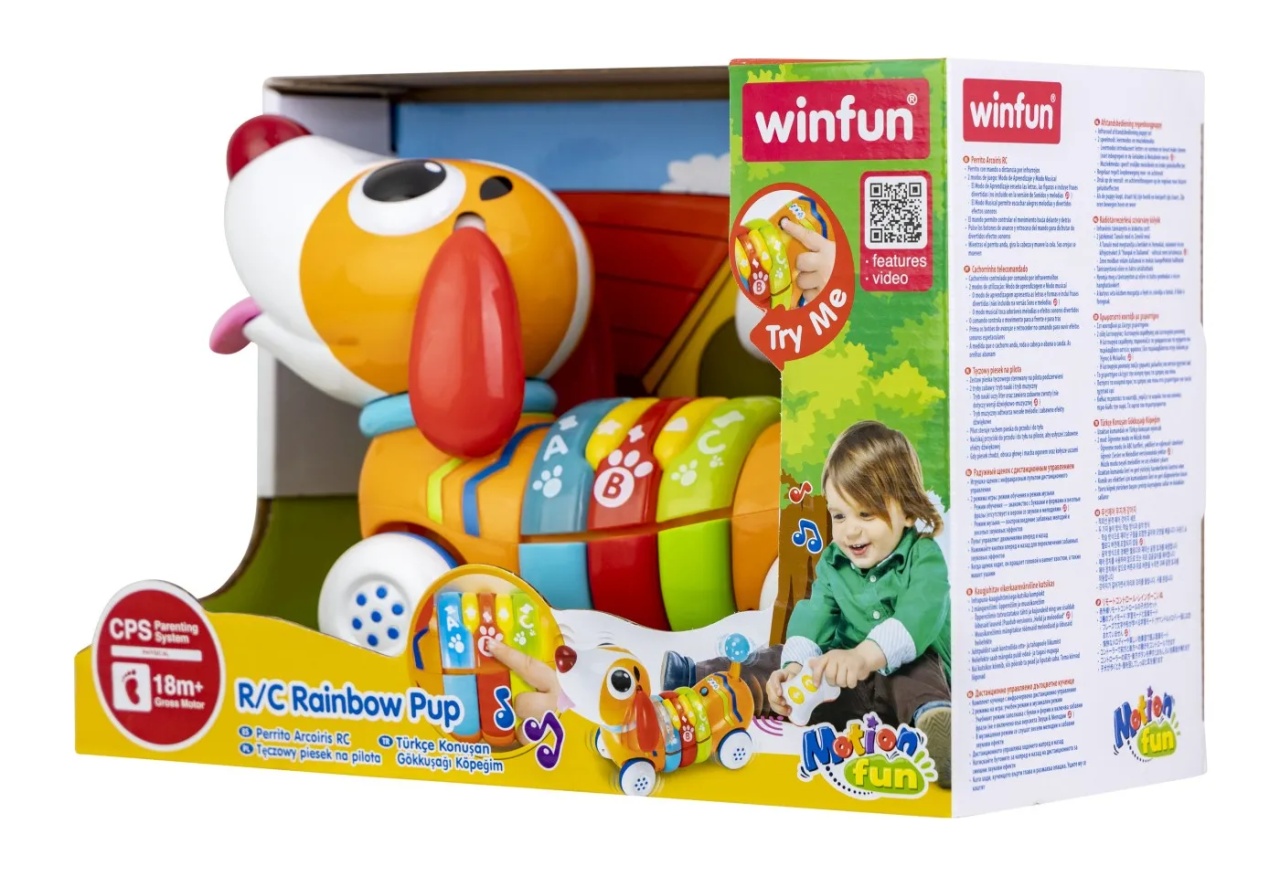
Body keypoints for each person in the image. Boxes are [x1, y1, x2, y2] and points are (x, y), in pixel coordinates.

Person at [660, 420, 953, 788]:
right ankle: (702, 679)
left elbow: (919, 615)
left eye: (866, 514)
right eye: (839, 515)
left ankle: (935, 725)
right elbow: (815, 615)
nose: (850, 530)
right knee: (772, 659)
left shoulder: (924, 557)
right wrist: (795, 667)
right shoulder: (834, 561)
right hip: (841, 685)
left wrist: (864, 656)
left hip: (900, 683)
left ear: (907, 511)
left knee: (917, 670)